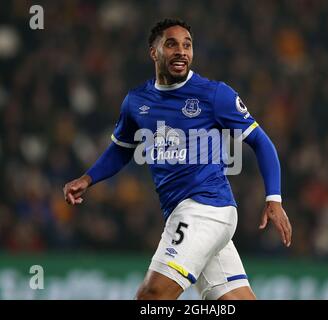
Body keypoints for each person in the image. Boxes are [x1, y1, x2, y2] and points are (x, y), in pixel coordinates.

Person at [63, 18, 292, 300]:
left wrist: (274, 199)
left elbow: (261, 141)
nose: (181, 51)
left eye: (187, 45)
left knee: (151, 297)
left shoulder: (214, 94)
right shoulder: (136, 101)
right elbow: (122, 148)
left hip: (205, 209)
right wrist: (88, 179)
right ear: (154, 52)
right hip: (187, 213)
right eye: (171, 44)